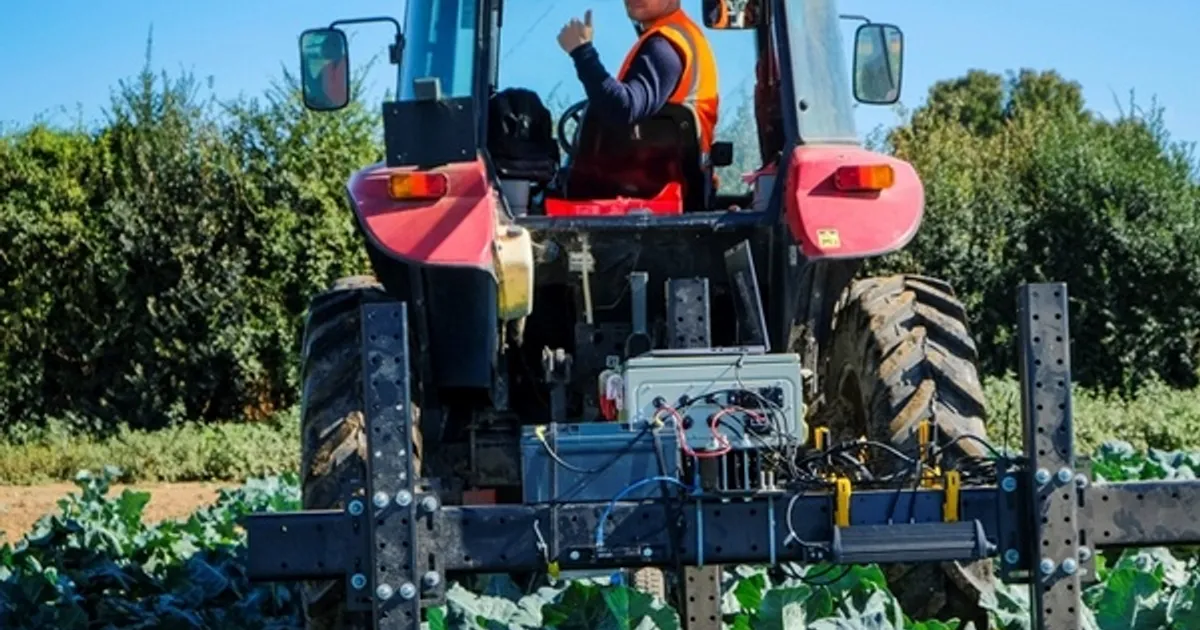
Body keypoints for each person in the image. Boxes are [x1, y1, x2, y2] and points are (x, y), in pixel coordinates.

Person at [557, 1, 720, 153]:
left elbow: (623, 109)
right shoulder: (683, 36)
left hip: (660, 171)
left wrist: (582, 53)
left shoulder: (666, 46)